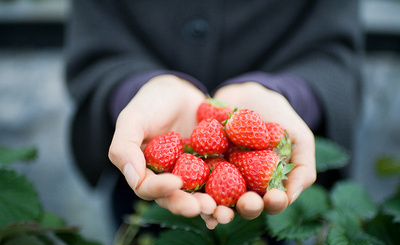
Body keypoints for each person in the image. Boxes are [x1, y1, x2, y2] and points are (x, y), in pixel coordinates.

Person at [65, 0, 362, 231]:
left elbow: (333, 53)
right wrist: (132, 92)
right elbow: (95, 46)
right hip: (142, 168)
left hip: (260, 198)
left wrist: (291, 96)